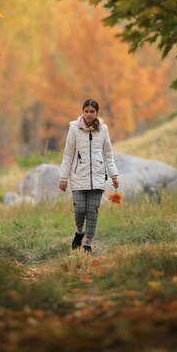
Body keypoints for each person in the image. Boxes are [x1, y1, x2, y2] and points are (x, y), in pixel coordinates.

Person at [59, 98, 120, 252]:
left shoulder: (103, 129)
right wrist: (63, 178)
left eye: (92, 111)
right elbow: (68, 155)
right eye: (86, 111)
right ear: (83, 111)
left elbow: (108, 154)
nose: (89, 114)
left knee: (92, 210)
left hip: (98, 176)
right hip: (78, 175)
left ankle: (88, 244)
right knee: (79, 209)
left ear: (96, 113)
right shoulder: (74, 129)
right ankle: (79, 232)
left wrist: (114, 175)